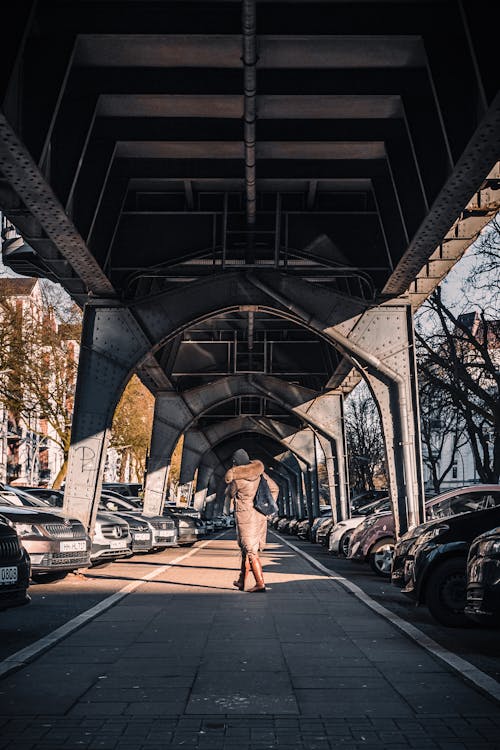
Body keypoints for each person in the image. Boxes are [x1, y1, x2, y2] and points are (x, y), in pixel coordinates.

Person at [225, 449, 279, 593]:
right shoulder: (259, 473)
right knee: (246, 550)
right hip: (259, 515)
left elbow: (230, 494)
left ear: (235, 463)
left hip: (246, 517)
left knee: (250, 551)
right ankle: (242, 581)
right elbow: (274, 488)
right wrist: (266, 505)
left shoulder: (237, 479)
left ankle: (260, 583)